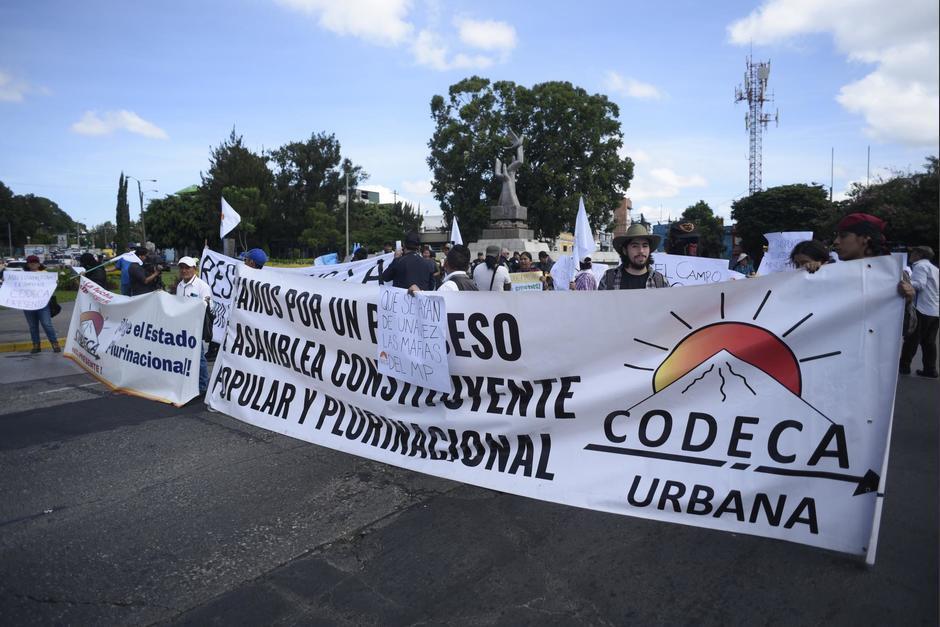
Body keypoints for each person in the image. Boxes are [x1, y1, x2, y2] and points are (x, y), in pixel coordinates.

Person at [175, 257, 213, 394]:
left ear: (194, 269)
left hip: (196, 325)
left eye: (187, 268)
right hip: (183, 326)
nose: (184, 270)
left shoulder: (202, 286)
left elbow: (206, 305)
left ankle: (203, 386)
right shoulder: (180, 286)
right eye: (182, 268)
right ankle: (189, 382)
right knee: (184, 355)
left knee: (199, 357)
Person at [899, 246, 939, 378]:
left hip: (922, 308)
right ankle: (930, 370)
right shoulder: (934, 268)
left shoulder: (920, 266)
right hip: (934, 310)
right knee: (929, 342)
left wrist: (904, 281)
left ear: (920, 254)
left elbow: (919, 284)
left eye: (913, 252)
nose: (911, 254)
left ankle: (904, 367)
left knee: (911, 339)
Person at [598, 224, 669, 290]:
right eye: (635, 246)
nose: (641, 251)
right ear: (625, 250)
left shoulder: (660, 281)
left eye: (645, 246)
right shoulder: (609, 279)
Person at [22, 255, 60, 354]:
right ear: (28, 264)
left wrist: (55, 283)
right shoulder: (22, 276)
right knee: (33, 326)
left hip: (43, 304)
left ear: (39, 264)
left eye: (35, 262)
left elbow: (52, 288)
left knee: (47, 324)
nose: (33, 264)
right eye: (31, 262)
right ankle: (36, 345)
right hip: (28, 305)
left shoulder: (45, 274)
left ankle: (54, 343)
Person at [409, 245, 478, 294]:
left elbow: (434, 310)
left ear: (446, 264)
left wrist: (418, 294)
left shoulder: (448, 287)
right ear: (467, 266)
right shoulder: (474, 286)